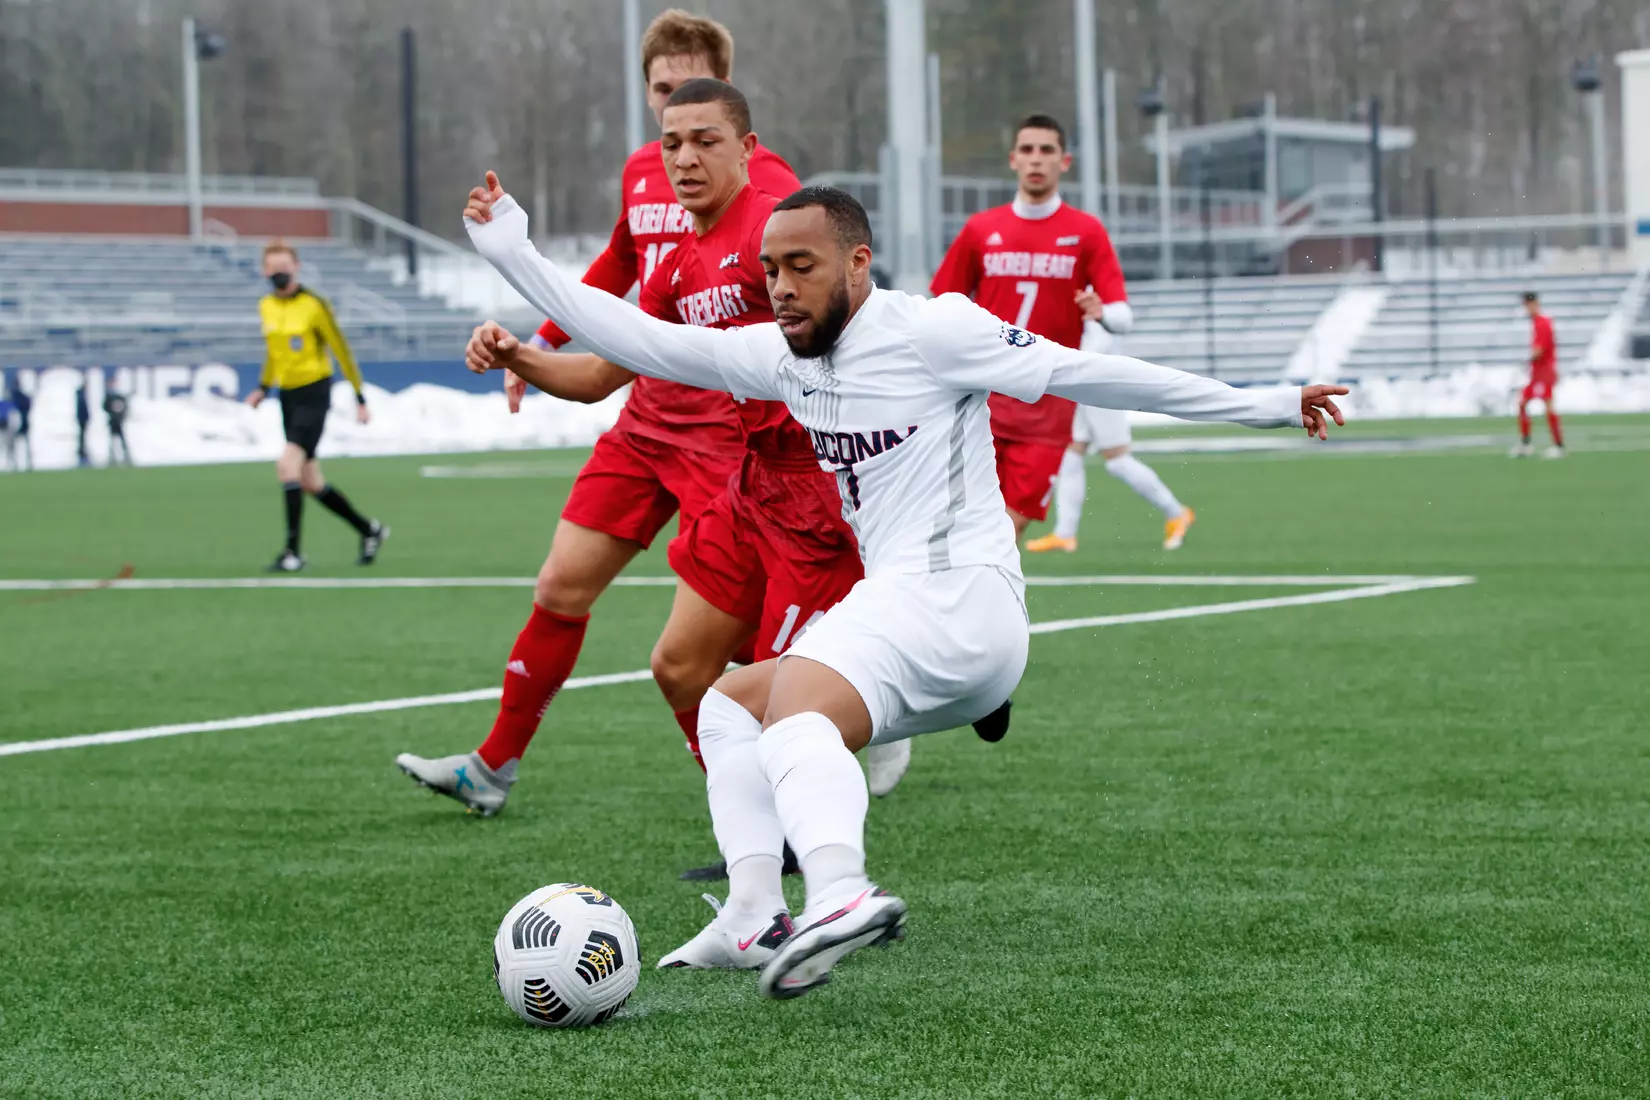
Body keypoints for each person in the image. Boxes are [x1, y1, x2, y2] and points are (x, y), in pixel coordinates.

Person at [465, 175, 1348, 997]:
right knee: (730, 704)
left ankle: (842, 893)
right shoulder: (779, 359)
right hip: (917, 616)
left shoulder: (933, 330)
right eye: (770, 269)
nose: (780, 286)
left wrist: (1267, 402)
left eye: (802, 266)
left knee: (795, 713)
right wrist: (514, 254)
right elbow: (640, 338)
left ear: (859, 262)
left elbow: (1088, 372)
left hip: (964, 598)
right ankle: (753, 915)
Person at [444, 80, 876, 897]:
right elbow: (608, 368)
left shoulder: (776, 235)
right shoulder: (676, 260)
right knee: (680, 668)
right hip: (751, 491)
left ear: (749, 150)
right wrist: (521, 357)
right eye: (672, 141)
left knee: (788, 702)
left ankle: (830, 882)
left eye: (706, 140)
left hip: (817, 497)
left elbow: (862, 331)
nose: (684, 158)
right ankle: (770, 839)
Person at [393, 10, 805, 830]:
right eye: (660, 101)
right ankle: (495, 765)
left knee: (732, 646)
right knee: (562, 585)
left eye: (694, 117)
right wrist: (530, 344)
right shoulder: (646, 180)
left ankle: (811, 757)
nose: (675, 133)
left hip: (733, 438)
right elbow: (618, 273)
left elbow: (825, 311)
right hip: (646, 413)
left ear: (734, 122)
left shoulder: (770, 197)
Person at [930, 113, 1195, 553]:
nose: (1037, 159)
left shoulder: (1085, 232)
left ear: (1064, 161)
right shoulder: (981, 229)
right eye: (1028, 150)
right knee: (950, 521)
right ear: (1014, 159)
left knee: (1006, 531)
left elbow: (1123, 315)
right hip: (979, 403)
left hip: (1045, 409)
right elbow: (939, 304)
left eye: (1047, 150)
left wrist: (1102, 312)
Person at [244, 240, 387, 572]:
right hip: (287, 396)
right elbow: (274, 353)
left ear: (296, 268)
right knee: (310, 481)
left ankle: (292, 552)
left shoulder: (314, 305)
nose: (279, 273)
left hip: (314, 392)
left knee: (286, 464)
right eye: (273, 268)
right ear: (265, 271)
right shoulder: (265, 305)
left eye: (285, 267)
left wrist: (359, 396)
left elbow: (341, 350)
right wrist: (263, 388)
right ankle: (370, 530)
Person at [1512, 291, 1563, 458]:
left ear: (1533, 304)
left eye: (1527, 305)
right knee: (1523, 403)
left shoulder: (1542, 323)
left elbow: (1539, 350)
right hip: (1538, 373)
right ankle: (1526, 443)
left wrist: (1526, 360)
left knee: (1546, 406)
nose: (1526, 309)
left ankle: (1558, 445)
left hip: (1543, 373)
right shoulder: (1539, 322)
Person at [103, 383, 131, 466]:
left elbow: (125, 407)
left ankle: (125, 456)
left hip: (119, 422)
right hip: (113, 421)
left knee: (122, 440)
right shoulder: (110, 397)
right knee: (112, 440)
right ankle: (112, 457)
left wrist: (121, 416)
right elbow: (105, 407)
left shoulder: (118, 397)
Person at [74, 382, 90, 468]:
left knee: (82, 435)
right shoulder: (81, 396)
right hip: (82, 419)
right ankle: (81, 450)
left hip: (82, 418)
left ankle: (82, 449)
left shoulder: (79, 395)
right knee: (82, 435)